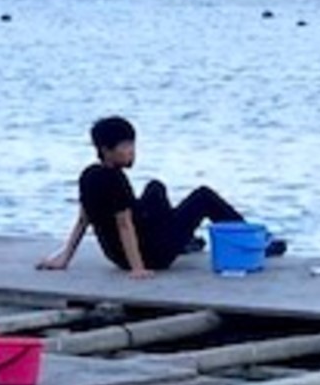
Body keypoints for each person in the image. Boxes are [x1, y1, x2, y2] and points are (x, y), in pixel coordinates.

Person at [37, 116, 285, 279]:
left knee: (155, 188)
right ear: (106, 150)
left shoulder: (89, 175)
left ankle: (183, 240)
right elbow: (125, 225)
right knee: (203, 197)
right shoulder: (116, 180)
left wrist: (63, 259)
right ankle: (256, 241)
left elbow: (83, 220)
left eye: (132, 144)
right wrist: (137, 269)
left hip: (116, 255)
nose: (132, 151)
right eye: (125, 147)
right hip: (151, 256)